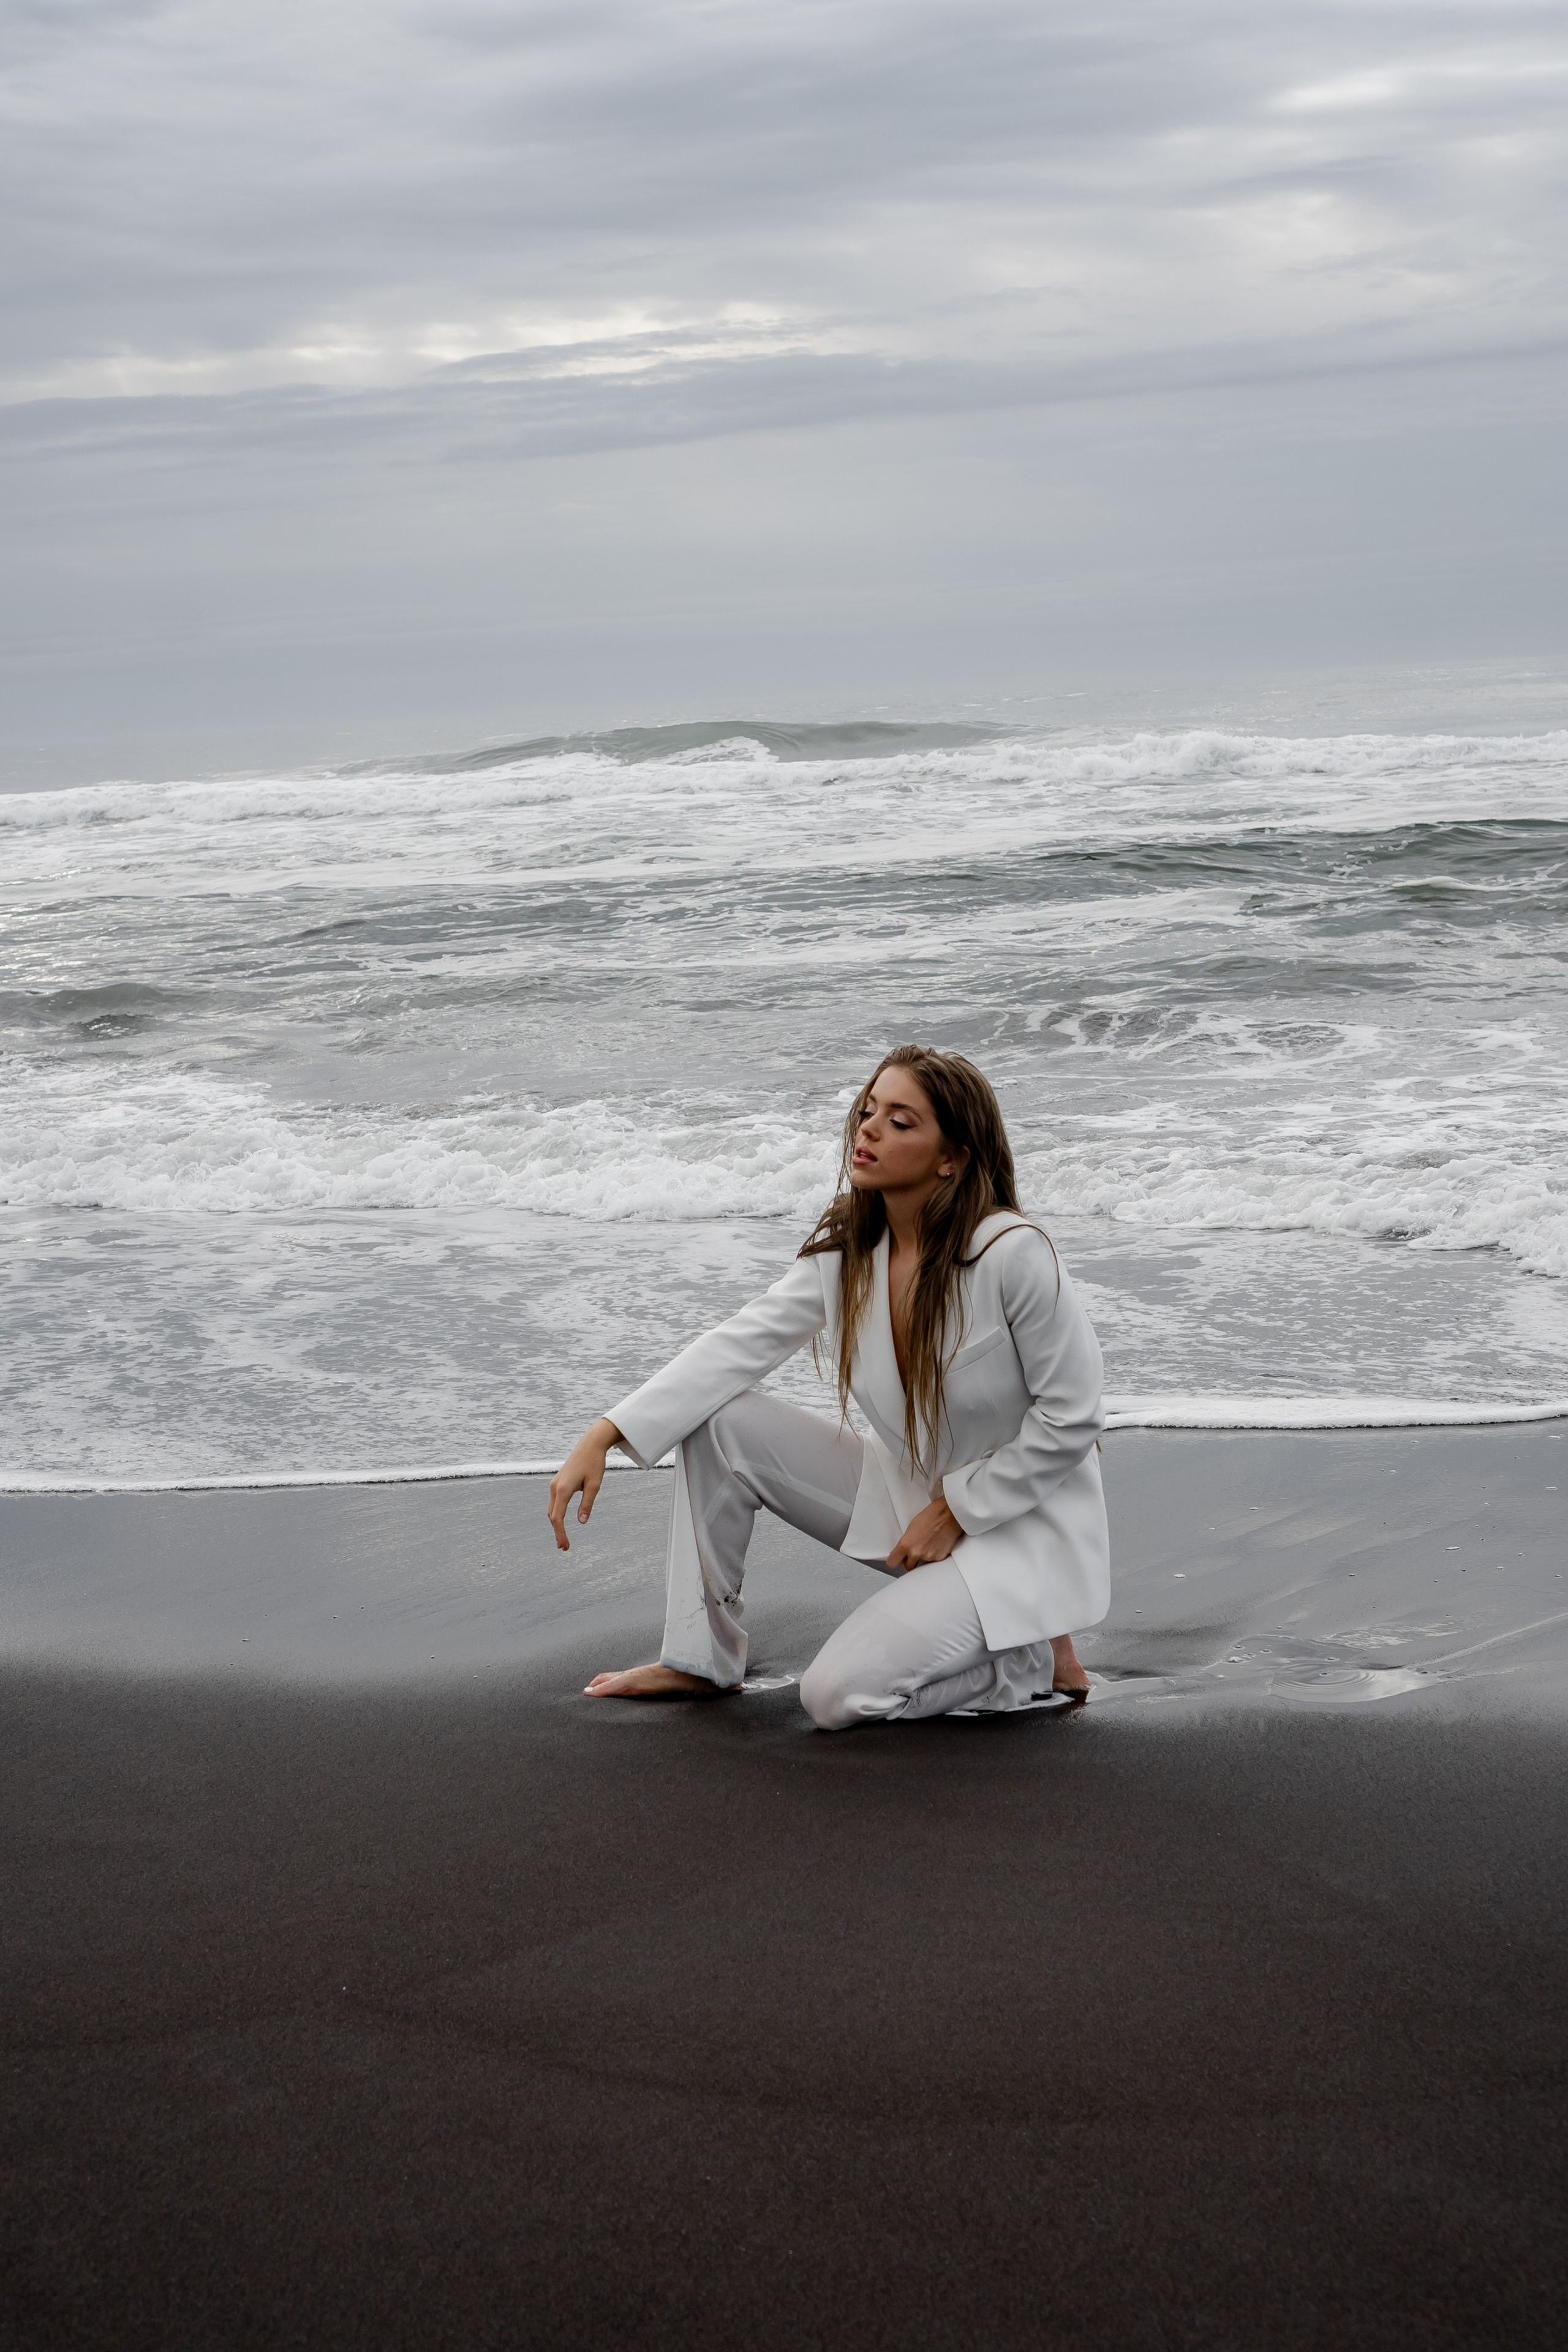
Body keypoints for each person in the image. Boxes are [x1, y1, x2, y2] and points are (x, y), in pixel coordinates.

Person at [548, 1045, 1109, 1729]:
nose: (868, 1129)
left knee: (837, 1697)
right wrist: (605, 1433)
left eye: (901, 1121)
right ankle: (702, 1660)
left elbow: (1072, 1417)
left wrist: (959, 1510)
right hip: (911, 1510)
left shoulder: (1011, 1253)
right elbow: (735, 1347)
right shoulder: (852, 1254)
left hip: (1017, 1538)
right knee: (722, 1423)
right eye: (869, 1110)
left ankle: (1022, 1663)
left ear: (952, 1157)